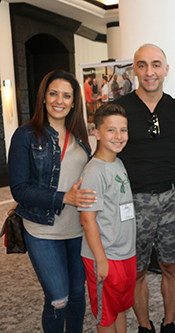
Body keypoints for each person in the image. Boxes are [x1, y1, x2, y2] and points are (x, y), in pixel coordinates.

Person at [113, 43, 175, 333]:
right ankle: (145, 326)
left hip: (172, 198)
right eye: (143, 65)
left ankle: (169, 323)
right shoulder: (119, 108)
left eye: (156, 65)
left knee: (172, 266)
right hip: (131, 201)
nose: (150, 72)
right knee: (136, 270)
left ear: (166, 70)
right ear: (134, 69)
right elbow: (104, 154)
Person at [8, 69, 96, 333]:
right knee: (58, 298)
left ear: (74, 101)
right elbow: (19, 190)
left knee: (77, 296)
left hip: (78, 229)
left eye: (66, 95)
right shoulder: (25, 135)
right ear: (44, 98)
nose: (60, 100)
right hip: (42, 230)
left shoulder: (82, 137)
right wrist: (63, 197)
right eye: (53, 93)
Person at [79, 104, 136, 333]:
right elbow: (87, 220)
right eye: (111, 130)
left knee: (120, 307)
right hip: (105, 256)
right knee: (106, 316)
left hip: (125, 253)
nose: (119, 136)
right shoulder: (94, 171)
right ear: (97, 132)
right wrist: (100, 260)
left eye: (123, 130)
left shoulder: (118, 163)